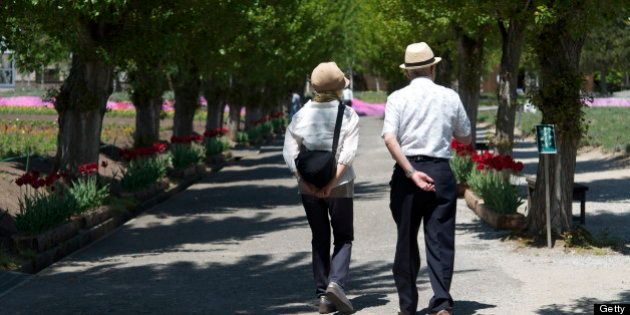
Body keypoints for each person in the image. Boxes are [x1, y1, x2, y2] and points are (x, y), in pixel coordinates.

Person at [381, 42, 472, 315]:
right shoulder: (449, 96)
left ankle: (408, 306)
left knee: (406, 239)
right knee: (440, 238)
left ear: (408, 72)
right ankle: (442, 301)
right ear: (433, 67)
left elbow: (388, 137)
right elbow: (465, 135)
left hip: (407, 174)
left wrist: (410, 172)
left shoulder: (396, 98)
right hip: (440, 172)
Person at [283, 62, 360, 314]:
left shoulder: (301, 114)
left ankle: (322, 296)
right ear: (339, 88)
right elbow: (347, 155)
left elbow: (289, 153)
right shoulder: (347, 115)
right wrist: (330, 183)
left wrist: (306, 182)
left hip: (308, 188)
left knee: (319, 237)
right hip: (339, 186)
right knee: (344, 237)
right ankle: (335, 284)